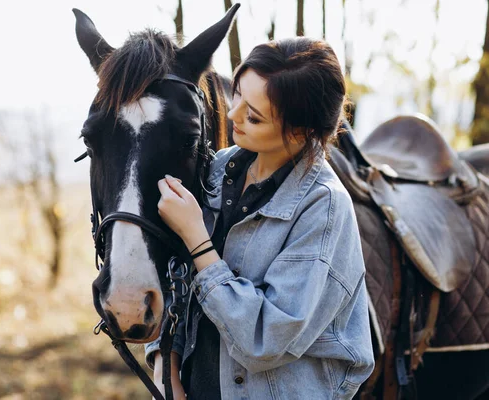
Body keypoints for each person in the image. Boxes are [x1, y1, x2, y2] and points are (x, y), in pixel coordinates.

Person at [146, 37, 375, 399]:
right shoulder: (217, 170)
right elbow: (175, 276)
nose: (233, 114)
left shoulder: (324, 208)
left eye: (253, 115)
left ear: (301, 131)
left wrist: (197, 239)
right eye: (236, 94)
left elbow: (265, 339)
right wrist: (165, 358)